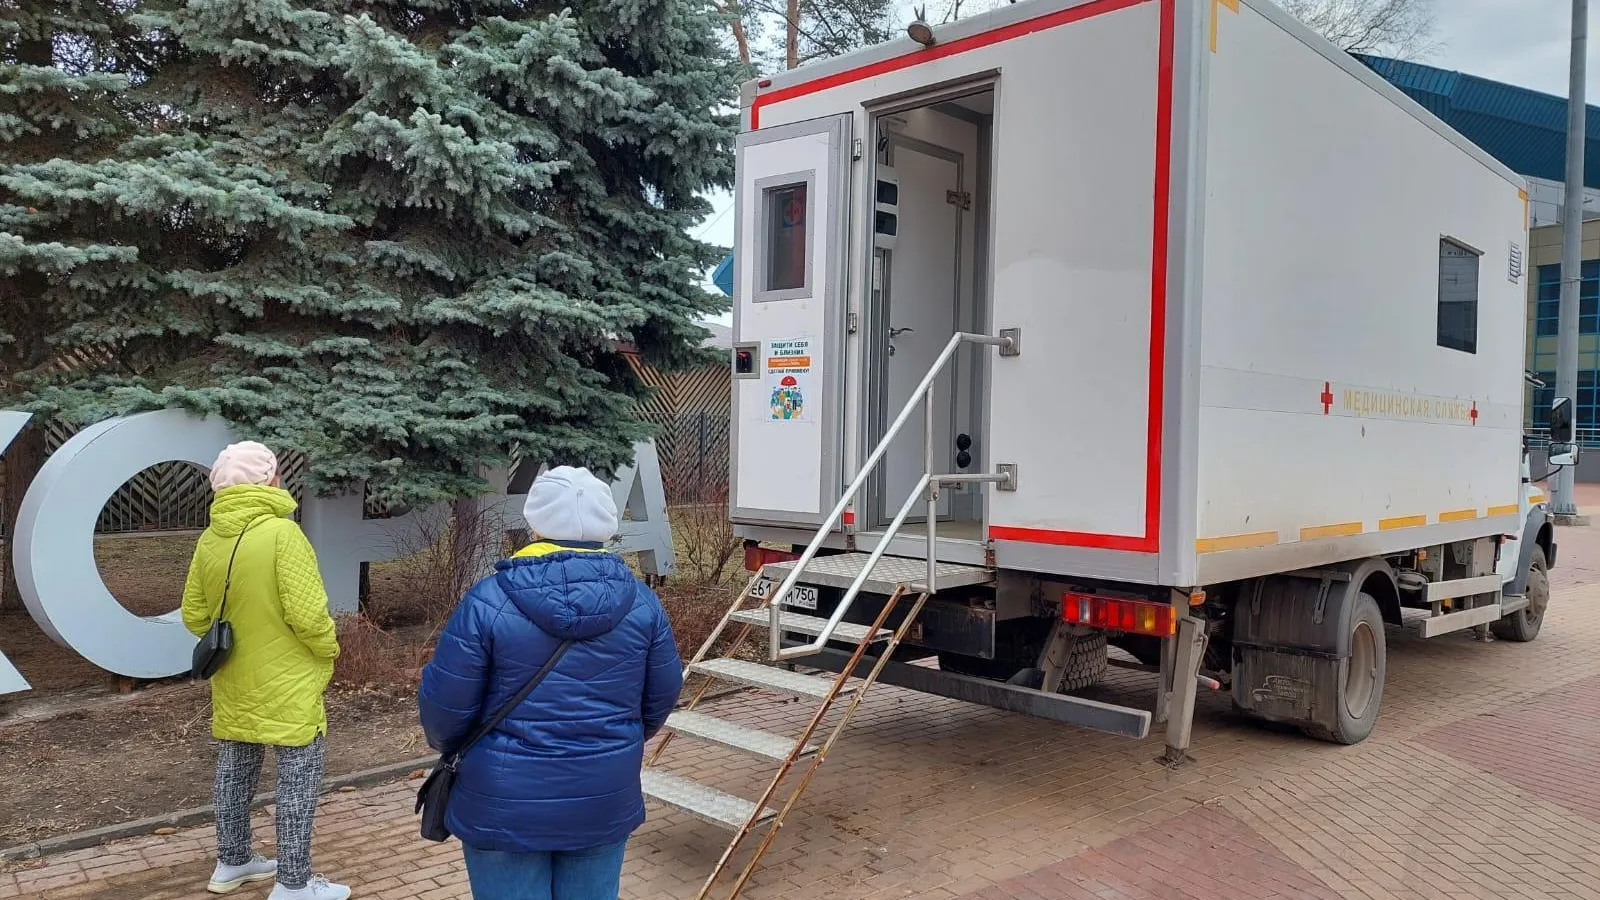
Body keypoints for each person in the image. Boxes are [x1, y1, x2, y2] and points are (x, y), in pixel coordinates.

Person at [418, 466, 683, 900]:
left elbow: (444, 712)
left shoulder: (489, 600)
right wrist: (614, 740)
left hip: (503, 803)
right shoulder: (642, 603)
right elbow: (660, 698)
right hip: (601, 793)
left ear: (535, 522)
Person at [180, 441, 347, 900]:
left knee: (235, 767)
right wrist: (329, 649)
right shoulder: (282, 534)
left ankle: (232, 862)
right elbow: (309, 616)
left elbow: (195, 615)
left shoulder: (210, 537)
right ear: (270, 479)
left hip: (233, 675)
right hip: (290, 676)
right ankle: (294, 884)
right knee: (298, 775)